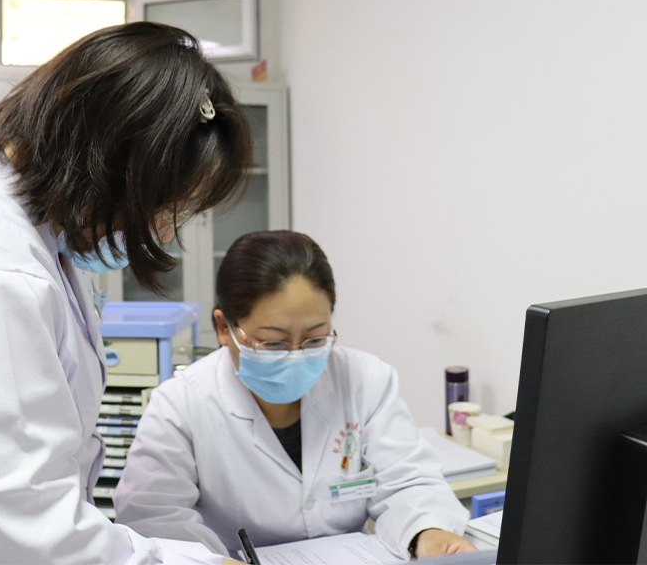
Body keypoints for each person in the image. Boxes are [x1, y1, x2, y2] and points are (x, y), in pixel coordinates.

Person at [0, 22, 252, 564]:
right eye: (165, 207)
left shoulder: (28, 220)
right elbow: (23, 536)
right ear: (103, 164)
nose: (164, 233)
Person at [114, 231, 476, 561]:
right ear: (224, 328)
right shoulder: (180, 404)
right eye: (273, 342)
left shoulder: (366, 380)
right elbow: (154, 519)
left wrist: (430, 533)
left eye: (315, 338)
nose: (297, 354)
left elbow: (408, 483)